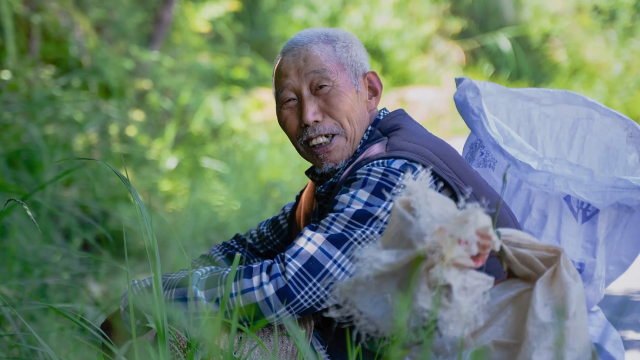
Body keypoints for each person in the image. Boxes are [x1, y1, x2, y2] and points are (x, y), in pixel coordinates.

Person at [101, 27, 520, 359]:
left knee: (180, 344)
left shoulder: (392, 170)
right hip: (361, 343)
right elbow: (249, 248)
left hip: (450, 348)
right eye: (288, 101)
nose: (307, 117)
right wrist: (181, 288)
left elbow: (289, 286)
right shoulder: (349, 167)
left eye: (322, 89)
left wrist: (151, 298)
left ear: (370, 91)